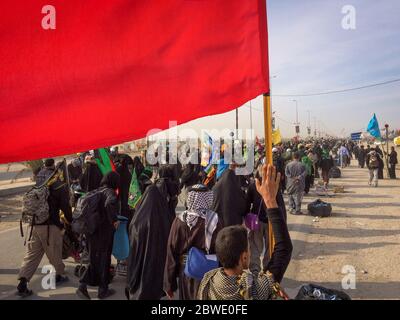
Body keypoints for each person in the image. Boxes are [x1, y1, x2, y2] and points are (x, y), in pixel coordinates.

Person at [198, 164, 292, 300]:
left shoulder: (208, 280)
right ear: (244, 257)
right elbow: (284, 248)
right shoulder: (256, 289)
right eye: (248, 249)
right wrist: (270, 201)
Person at [17, 159, 71, 297]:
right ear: (55, 170)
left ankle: (22, 282)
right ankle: (59, 275)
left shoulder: (38, 183)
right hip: (50, 226)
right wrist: (70, 221)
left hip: (34, 225)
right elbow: (65, 207)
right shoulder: (59, 185)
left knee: (32, 255)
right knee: (55, 253)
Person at [164, 184, 222, 300]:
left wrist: (169, 283)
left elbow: (172, 252)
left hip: (186, 272)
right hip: (209, 272)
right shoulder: (214, 220)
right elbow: (221, 249)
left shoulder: (180, 220)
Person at [76, 171, 121, 300]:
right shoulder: (110, 192)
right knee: (103, 260)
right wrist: (114, 220)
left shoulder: (97, 191)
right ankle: (92, 288)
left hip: (91, 232)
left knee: (95, 259)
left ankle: (97, 288)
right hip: (102, 233)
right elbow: (109, 203)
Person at [126, 184, 172, 300]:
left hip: (139, 259)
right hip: (157, 260)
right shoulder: (165, 216)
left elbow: (132, 237)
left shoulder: (137, 218)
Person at [246, 162, 287, 275]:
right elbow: (280, 204)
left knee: (255, 246)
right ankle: (267, 270)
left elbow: (247, 203)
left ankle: (255, 270)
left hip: (257, 221)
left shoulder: (253, 185)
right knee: (270, 247)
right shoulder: (273, 185)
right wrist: (282, 221)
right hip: (270, 221)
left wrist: (245, 216)